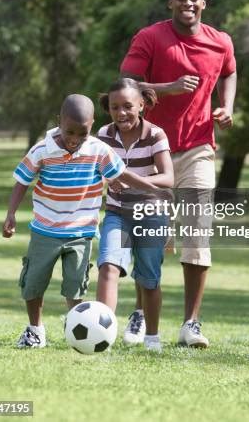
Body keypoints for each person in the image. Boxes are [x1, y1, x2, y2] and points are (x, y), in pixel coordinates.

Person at [120, 0, 237, 347]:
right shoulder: (150, 37)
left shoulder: (221, 42)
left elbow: (230, 71)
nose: (188, 3)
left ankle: (191, 324)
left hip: (199, 147)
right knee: (151, 236)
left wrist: (227, 105)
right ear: (170, 3)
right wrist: (167, 89)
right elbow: (127, 84)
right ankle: (140, 315)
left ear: (204, 3)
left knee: (197, 235)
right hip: (153, 149)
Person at [2, 94, 160, 348]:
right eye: (69, 132)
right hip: (45, 230)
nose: (74, 139)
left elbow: (122, 174)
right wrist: (11, 213)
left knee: (75, 287)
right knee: (33, 283)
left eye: (82, 133)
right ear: (59, 122)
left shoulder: (98, 150)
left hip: (81, 233)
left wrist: (153, 189)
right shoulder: (42, 149)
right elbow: (22, 180)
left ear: (92, 125)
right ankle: (35, 330)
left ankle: (77, 326)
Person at [96, 78, 174, 352]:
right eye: (115, 107)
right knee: (108, 266)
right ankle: (101, 334)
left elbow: (168, 177)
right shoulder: (103, 135)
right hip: (117, 212)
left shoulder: (155, 135)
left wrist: (130, 180)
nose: (121, 113)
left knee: (148, 278)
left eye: (128, 106)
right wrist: (106, 180)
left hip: (151, 212)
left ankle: (152, 337)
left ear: (141, 105)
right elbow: (95, 169)